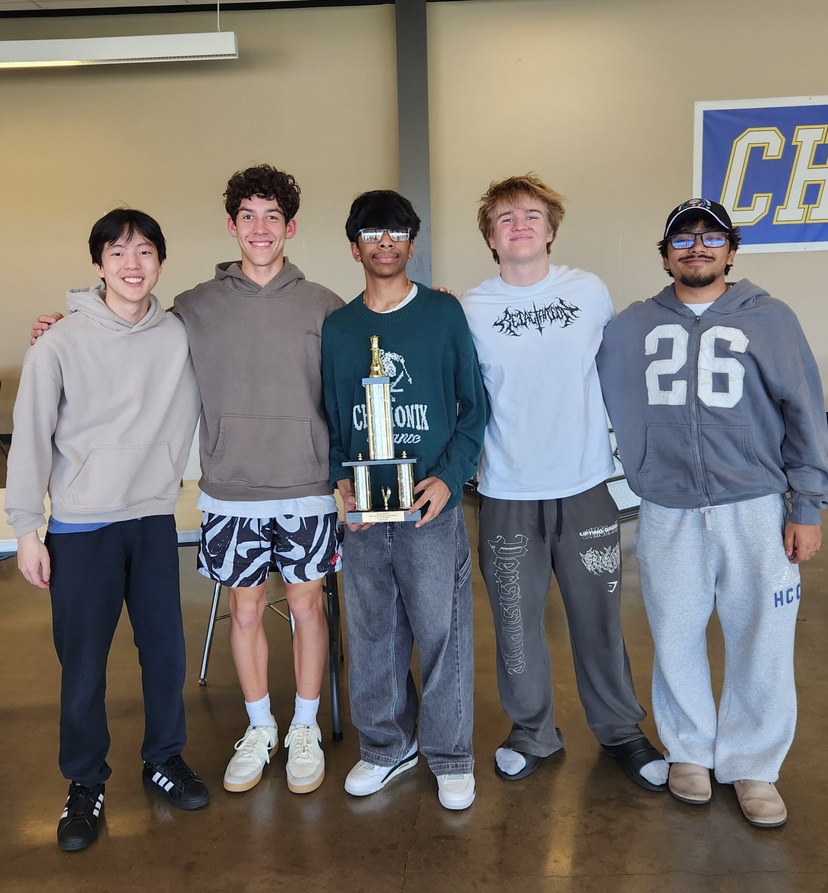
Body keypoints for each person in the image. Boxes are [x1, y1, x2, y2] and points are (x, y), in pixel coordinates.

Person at [33, 165, 344, 798]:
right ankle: (260, 728)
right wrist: (58, 327)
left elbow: (370, 349)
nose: (260, 229)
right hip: (229, 491)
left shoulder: (325, 306)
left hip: (307, 486)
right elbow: (126, 325)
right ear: (232, 226)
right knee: (246, 609)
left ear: (290, 227)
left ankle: (305, 726)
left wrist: (431, 300)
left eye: (272, 217)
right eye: (248, 217)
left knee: (308, 608)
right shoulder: (194, 308)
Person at [598, 197, 828, 827]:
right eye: (683, 238)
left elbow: (806, 413)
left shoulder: (771, 318)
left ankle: (754, 765)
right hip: (668, 507)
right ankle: (691, 750)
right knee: (674, 634)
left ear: (731, 249)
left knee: (763, 639)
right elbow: (572, 373)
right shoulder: (630, 325)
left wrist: (806, 504)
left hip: (754, 505)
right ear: (665, 252)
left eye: (710, 237)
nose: (696, 248)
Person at [7, 209, 209, 853]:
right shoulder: (58, 343)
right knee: (84, 667)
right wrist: (28, 529)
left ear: (160, 262)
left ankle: (164, 758)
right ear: (98, 264)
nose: (131, 264)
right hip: (80, 525)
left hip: (151, 516)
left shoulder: (180, 334)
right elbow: (29, 440)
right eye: (117, 253)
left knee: (165, 654)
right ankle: (84, 783)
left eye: (145, 251)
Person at [460, 174, 667, 790]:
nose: (518, 225)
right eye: (504, 218)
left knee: (598, 619)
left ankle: (622, 731)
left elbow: (618, 378)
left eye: (531, 216)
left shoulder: (589, 292)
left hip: (584, 487)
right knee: (516, 624)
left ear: (550, 231)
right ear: (492, 240)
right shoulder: (470, 309)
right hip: (506, 491)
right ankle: (532, 732)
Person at [321, 190, 486, 810]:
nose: (385, 242)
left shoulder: (443, 317)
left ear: (411, 244)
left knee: (442, 631)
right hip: (365, 506)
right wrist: (341, 476)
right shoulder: (339, 328)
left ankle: (449, 755)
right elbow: (335, 419)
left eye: (397, 232)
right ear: (355, 246)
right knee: (371, 631)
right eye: (372, 232)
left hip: (430, 507)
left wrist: (450, 478)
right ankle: (387, 747)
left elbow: (474, 409)